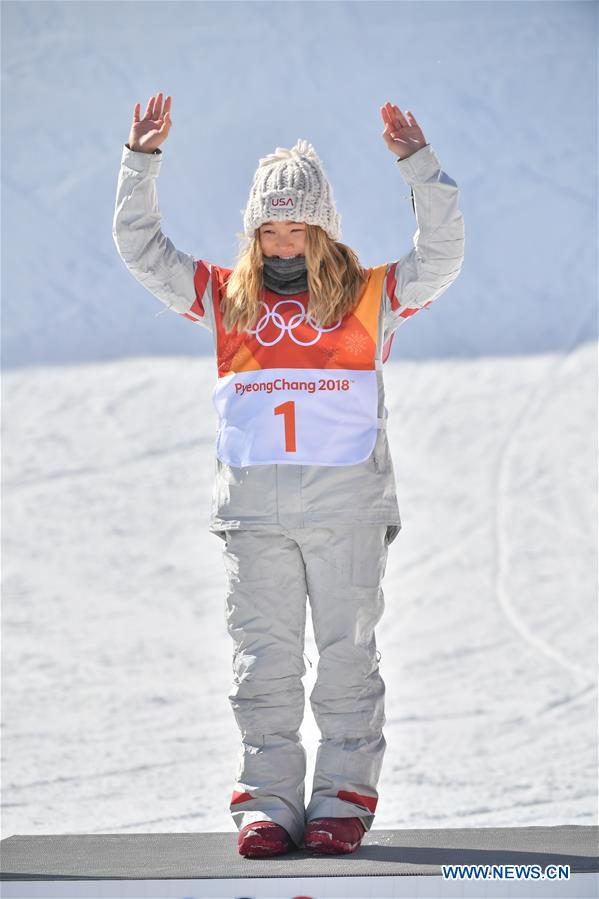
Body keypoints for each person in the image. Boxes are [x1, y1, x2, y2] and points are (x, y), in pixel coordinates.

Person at [112, 92, 465, 858]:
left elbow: (440, 255)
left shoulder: (372, 297)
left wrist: (418, 165)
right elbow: (141, 248)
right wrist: (141, 161)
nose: (280, 240)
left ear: (321, 228)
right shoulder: (223, 298)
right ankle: (267, 801)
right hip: (255, 514)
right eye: (268, 226)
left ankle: (342, 797)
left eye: (295, 225)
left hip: (346, 509)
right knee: (261, 662)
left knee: (345, 658)